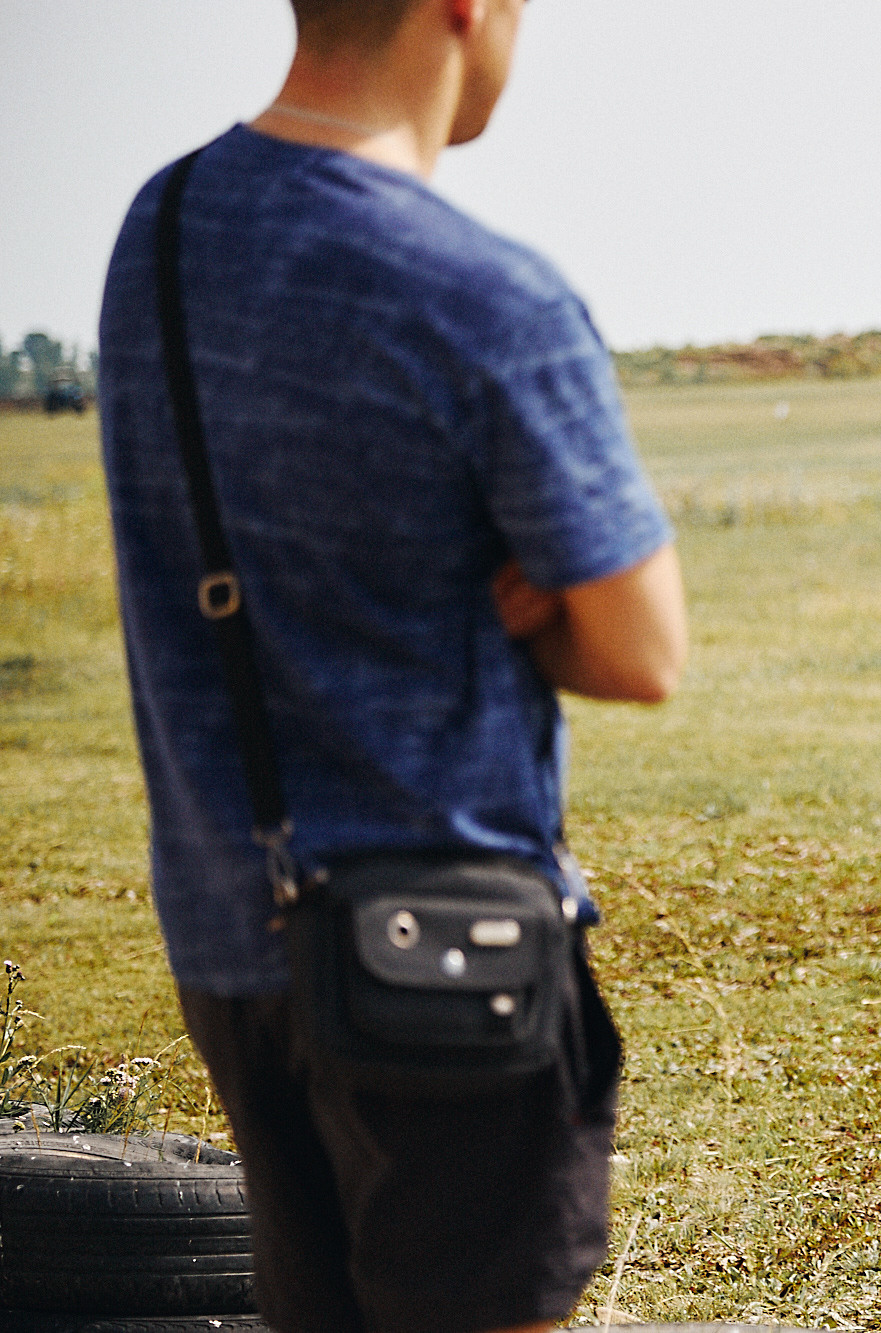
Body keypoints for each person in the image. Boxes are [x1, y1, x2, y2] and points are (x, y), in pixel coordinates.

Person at [96, 2, 688, 1331]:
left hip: (230, 948)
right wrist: (529, 600)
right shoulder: (487, 291)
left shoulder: (163, 228)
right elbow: (645, 647)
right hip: (445, 969)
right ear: (464, 7)